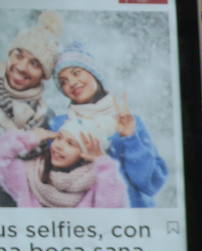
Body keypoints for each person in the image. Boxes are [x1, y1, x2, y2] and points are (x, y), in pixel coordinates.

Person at [50, 42, 166, 207]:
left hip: (133, 224)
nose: (72, 83)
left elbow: (150, 184)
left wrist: (130, 139)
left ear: (94, 74)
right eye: (63, 81)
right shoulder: (59, 126)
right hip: (81, 226)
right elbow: (51, 182)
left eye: (77, 73)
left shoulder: (128, 121)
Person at [0, 126, 128, 208]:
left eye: (71, 144)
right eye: (59, 138)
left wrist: (105, 164)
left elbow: (111, 214)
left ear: (84, 155)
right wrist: (30, 138)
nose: (59, 146)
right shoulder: (30, 172)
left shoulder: (97, 184)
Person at [0, 11, 62, 135]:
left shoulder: (45, 119)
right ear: (10, 55)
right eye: (18, 55)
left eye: (34, 63)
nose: (22, 67)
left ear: (44, 75)